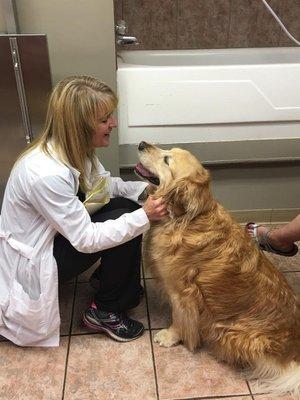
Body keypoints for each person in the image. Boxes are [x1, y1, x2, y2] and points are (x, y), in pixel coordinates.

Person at [0, 76, 167, 347]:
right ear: (78, 127)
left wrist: (142, 192)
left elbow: (100, 189)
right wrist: (144, 216)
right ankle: (103, 311)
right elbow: (85, 239)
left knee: (125, 208)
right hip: (36, 255)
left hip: (55, 235)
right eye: (104, 119)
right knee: (128, 220)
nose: (112, 124)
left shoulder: (76, 150)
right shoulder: (46, 174)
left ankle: (112, 283)